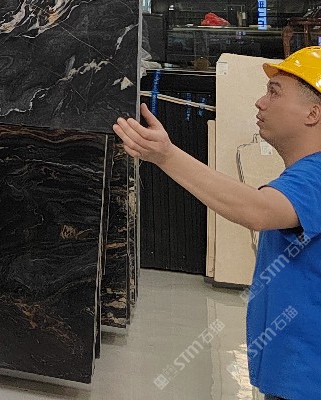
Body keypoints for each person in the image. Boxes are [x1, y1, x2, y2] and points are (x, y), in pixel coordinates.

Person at [114, 46, 321, 400]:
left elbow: (258, 210)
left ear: (313, 113)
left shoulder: (315, 175)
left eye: (274, 93)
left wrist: (166, 155)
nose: (260, 102)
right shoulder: (304, 174)